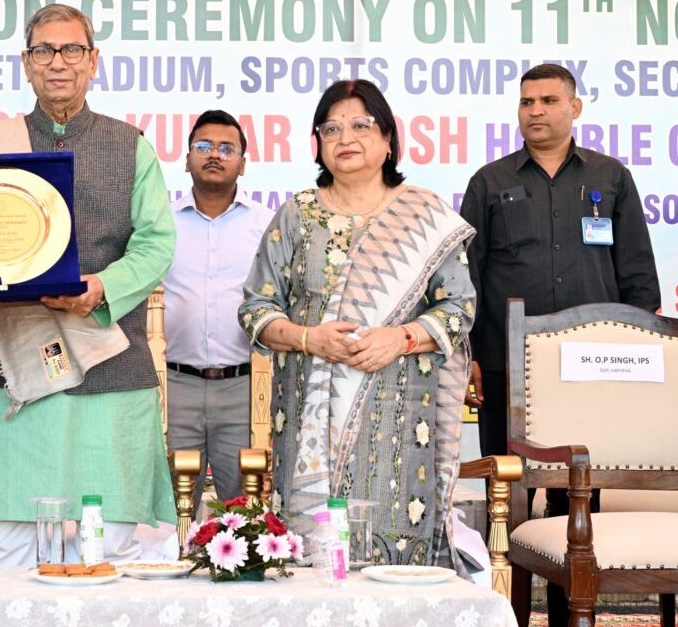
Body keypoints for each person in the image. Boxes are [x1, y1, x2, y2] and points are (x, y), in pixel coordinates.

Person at [0, 3, 177, 591]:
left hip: (109, 367)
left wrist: (101, 289)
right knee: (8, 547)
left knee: (110, 550)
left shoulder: (130, 146)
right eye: (44, 51)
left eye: (72, 49)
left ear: (93, 61)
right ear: (26, 63)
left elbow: (156, 243)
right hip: (9, 379)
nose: (58, 62)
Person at [239, 79, 476, 571]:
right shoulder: (298, 215)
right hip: (306, 417)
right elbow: (256, 310)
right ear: (317, 144)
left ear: (388, 138)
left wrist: (400, 338)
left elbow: (459, 308)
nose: (345, 137)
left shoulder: (425, 214)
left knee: (394, 568)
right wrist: (309, 339)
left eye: (361, 126)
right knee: (309, 567)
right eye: (331, 129)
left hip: (398, 421)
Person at [460, 63, 659, 626]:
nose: (536, 111)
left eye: (548, 100)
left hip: (590, 368)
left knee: (577, 495)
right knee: (508, 490)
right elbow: (464, 277)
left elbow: (637, 273)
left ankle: (570, 614)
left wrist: (644, 355)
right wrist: (468, 354)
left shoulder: (611, 177)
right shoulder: (489, 182)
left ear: (575, 108)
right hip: (506, 363)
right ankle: (506, 612)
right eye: (527, 102)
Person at [162, 109, 273, 511]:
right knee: (172, 511)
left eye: (227, 149)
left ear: (242, 164)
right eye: (204, 146)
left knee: (245, 514)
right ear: (186, 159)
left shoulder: (267, 225)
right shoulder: (161, 224)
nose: (214, 155)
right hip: (174, 386)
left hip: (244, 388)